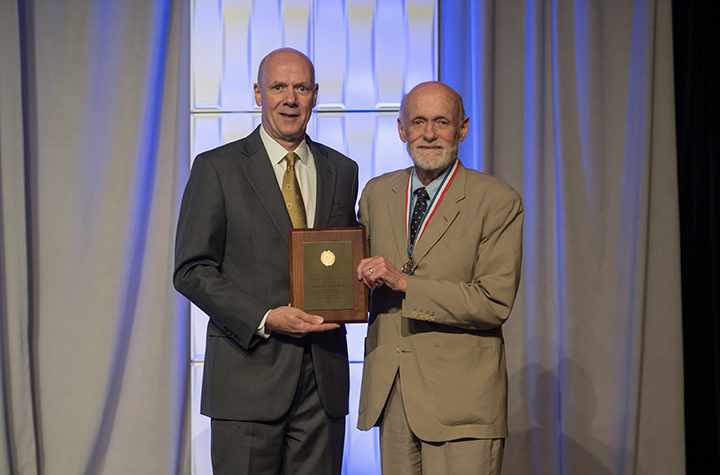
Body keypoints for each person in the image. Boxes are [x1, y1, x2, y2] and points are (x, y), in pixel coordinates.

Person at [174, 48, 358, 474]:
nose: (290, 98)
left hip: (322, 385)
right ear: (258, 93)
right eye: (278, 87)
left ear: (315, 96)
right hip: (247, 378)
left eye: (301, 88)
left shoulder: (342, 170)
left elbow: (342, 257)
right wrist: (266, 316)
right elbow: (191, 269)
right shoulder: (216, 168)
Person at [355, 81, 523, 474]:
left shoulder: (497, 200)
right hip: (392, 395)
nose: (429, 134)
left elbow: (493, 301)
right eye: (419, 121)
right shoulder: (376, 194)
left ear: (462, 128)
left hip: (462, 405)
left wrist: (406, 284)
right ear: (401, 129)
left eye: (441, 122)